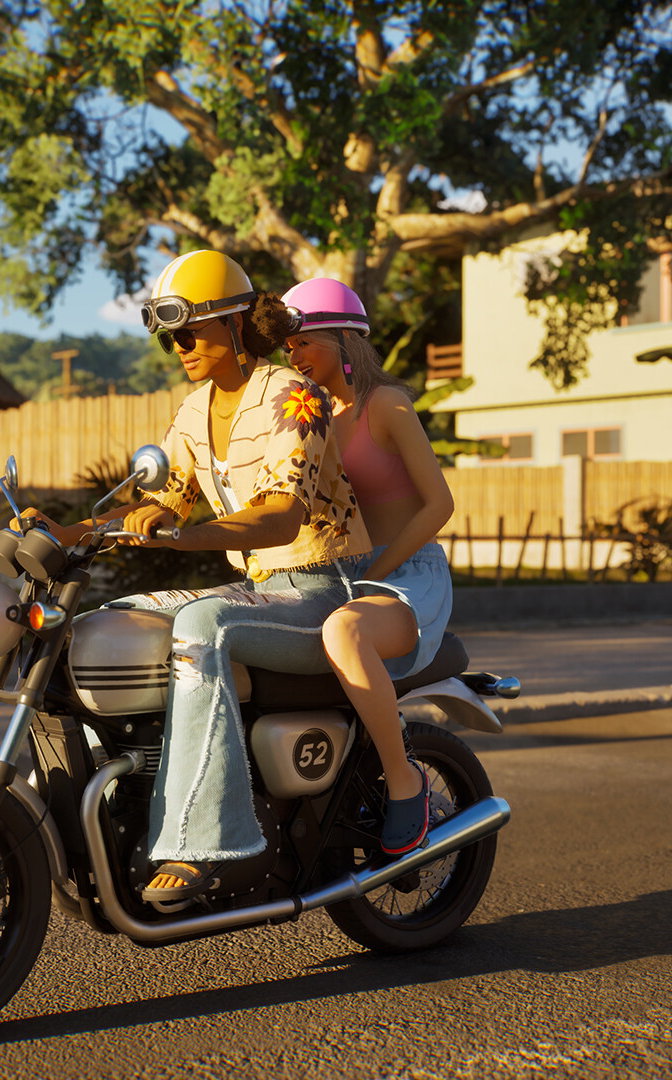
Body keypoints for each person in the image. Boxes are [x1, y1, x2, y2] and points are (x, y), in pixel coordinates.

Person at [14, 250, 368, 905]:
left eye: (190, 332)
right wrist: (67, 533)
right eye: (169, 337)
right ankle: (116, 793)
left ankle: (205, 845)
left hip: (319, 588)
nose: (178, 347)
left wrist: (188, 537)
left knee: (200, 622)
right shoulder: (193, 410)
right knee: (103, 627)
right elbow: (165, 501)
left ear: (237, 326)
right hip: (260, 593)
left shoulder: (297, 397)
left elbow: (281, 516)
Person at [281, 278, 455, 856]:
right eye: (288, 348)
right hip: (344, 573)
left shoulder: (388, 405)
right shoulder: (314, 414)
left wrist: (381, 569)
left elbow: (440, 505)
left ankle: (404, 780)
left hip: (408, 575)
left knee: (343, 630)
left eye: (305, 342)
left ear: (344, 339)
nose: (295, 356)